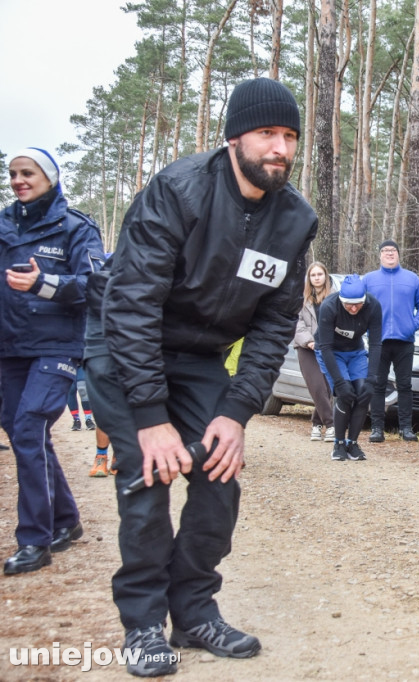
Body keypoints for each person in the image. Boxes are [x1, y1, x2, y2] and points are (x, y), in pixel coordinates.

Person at [83, 77, 317, 677]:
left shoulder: (294, 221)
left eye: (290, 136)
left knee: (219, 473)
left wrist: (236, 413)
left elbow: (272, 326)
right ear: (235, 136)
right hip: (126, 346)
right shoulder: (179, 191)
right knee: (149, 475)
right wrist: (151, 418)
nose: (280, 149)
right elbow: (131, 305)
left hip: (200, 356)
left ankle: (193, 611)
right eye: (268, 133)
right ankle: (142, 624)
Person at [0, 147, 104, 576]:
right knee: (25, 432)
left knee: (29, 426)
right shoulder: (3, 225)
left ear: (49, 176)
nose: (19, 180)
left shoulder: (75, 227)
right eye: (12, 174)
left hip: (57, 346)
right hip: (9, 347)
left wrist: (45, 284)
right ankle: (66, 520)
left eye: (28, 173)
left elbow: (97, 284)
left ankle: (34, 540)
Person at [363, 240, 419, 443]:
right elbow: (358, 305)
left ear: (398, 254)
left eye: (393, 250)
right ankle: (377, 428)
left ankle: (406, 428)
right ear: (380, 255)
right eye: (385, 251)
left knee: (404, 385)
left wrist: (413, 325)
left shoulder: (412, 279)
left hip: (404, 341)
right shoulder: (369, 279)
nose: (389, 253)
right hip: (378, 342)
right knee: (378, 385)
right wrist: (367, 328)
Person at [316, 275, 381, 462]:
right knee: (345, 393)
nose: (353, 308)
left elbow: (376, 344)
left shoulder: (373, 306)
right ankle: (338, 443)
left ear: (364, 300)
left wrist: (371, 379)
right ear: (341, 300)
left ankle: (352, 443)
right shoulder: (329, 306)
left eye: (358, 304)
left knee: (362, 392)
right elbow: (326, 347)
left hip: (355, 351)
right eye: (348, 305)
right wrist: (339, 383)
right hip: (331, 351)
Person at [294, 262, 337, 442]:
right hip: (307, 349)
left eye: (320, 274)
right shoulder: (300, 298)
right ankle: (332, 425)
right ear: (309, 278)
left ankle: (316, 424)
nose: (317, 278)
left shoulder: (335, 297)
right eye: (313, 275)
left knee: (328, 388)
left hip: (329, 347)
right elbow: (296, 323)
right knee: (317, 387)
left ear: (325, 277)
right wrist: (309, 341)